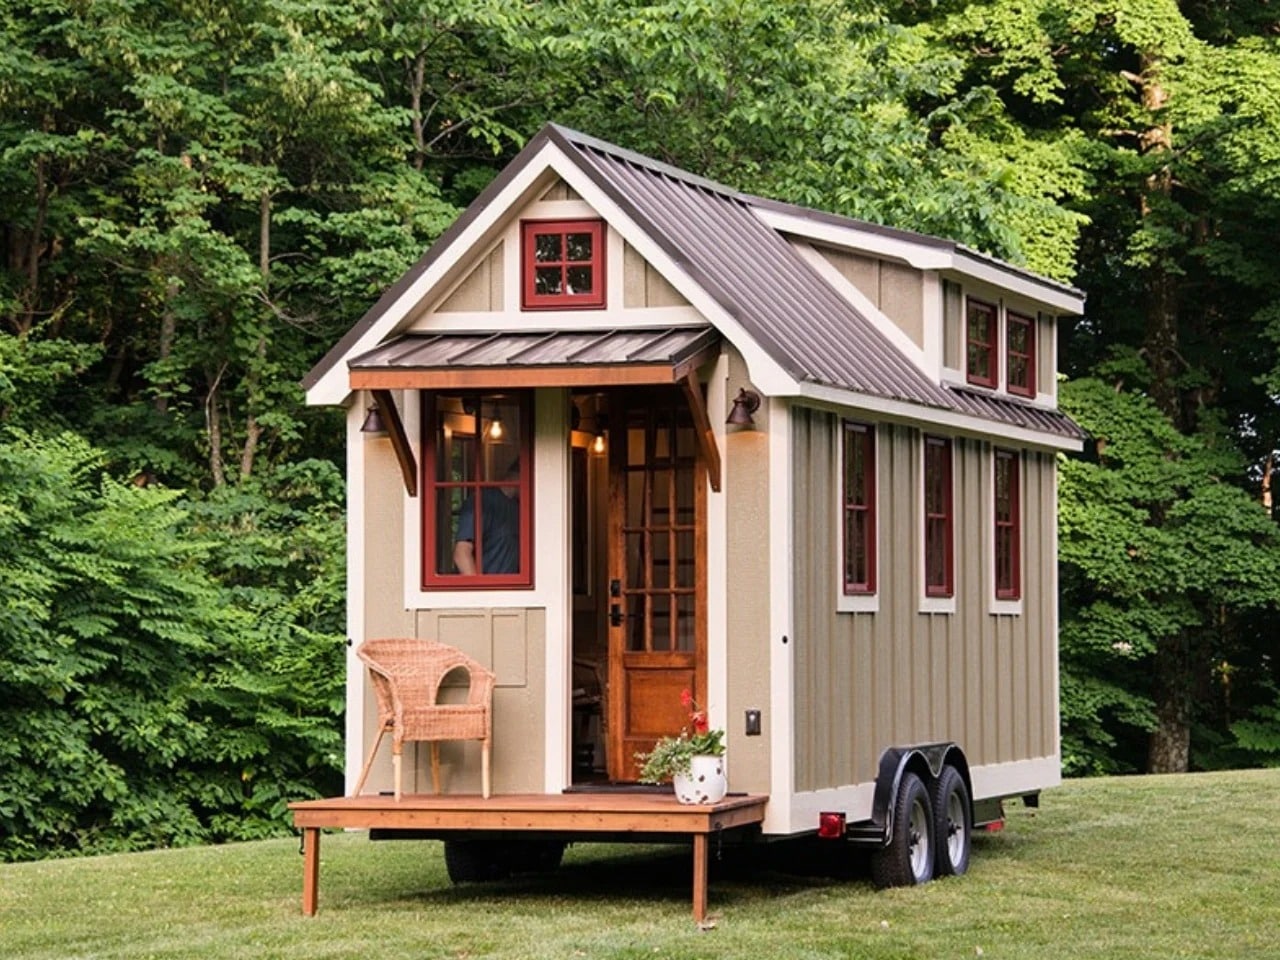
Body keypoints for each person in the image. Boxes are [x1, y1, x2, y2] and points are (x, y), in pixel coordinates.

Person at [452, 459, 521, 575]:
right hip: (489, 588)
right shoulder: (482, 502)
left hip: (511, 589)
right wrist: (478, 590)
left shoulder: (519, 507)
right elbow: (461, 553)